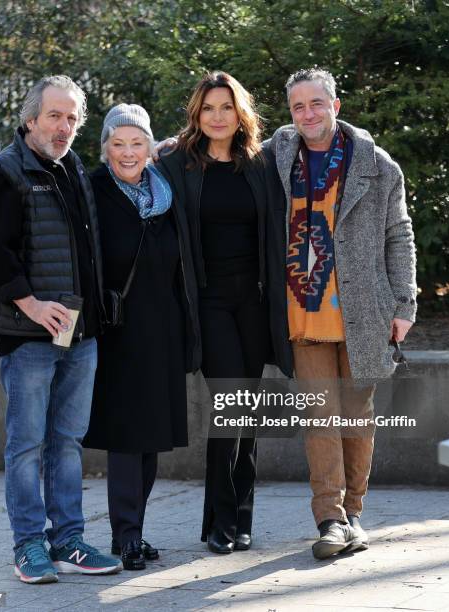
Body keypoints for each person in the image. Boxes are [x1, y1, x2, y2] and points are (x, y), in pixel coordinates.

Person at [0, 75, 122, 583]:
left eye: (73, 119)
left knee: (67, 441)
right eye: (55, 116)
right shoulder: (6, 172)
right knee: (26, 445)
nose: (64, 127)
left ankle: (69, 542)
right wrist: (32, 305)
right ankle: (29, 547)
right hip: (28, 338)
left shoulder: (73, 166)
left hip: (79, 336)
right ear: (31, 119)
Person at [268, 68, 417, 559]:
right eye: (298, 106)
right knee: (319, 417)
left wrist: (405, 303)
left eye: (317, 103)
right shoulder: (277, 156)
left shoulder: (378, 165)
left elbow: (400, 235)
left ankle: (354, 513)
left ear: (336, 104)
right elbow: (220, 150)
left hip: (364, 310)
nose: (308, 114)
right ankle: (329, 518)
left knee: (356, 417)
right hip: (302, 311)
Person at [157, 72, 293, 554]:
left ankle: (241, 517)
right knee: (229, 404)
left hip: (253, 301)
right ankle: (218, 520)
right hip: (208, 300)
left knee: (248, 411)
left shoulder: (261, 162)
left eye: (226, 107)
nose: (218, 116)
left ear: (241, 114)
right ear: (197, 114)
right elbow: (132, 160)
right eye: (208, 108)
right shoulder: (178, 162)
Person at [82, 104, 201, 570]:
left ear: (150, 147)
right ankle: (126, 534)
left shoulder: (165, 192)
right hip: (117, 331)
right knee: (128, 437)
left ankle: (132, 531)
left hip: (164, 328)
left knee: (150, 436)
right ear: (106, 148)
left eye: (137, 143)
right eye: (118, 143)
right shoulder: (92, 190)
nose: (128, 152)